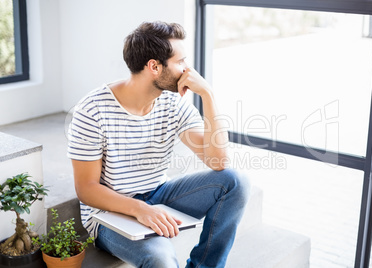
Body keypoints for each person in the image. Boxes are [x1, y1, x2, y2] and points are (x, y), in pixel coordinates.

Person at [67, 21, 250, 268]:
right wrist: (140, 209)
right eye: (180, 62)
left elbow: (218, 161)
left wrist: (208, 95)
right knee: (160, 259)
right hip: (109, 213)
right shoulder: (92, 110)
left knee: (235, 182)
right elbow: (86, 189)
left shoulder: (173, 103)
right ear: (154, 66)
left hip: (159, 194)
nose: (188, 70)